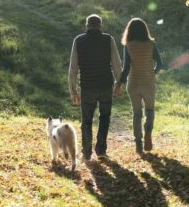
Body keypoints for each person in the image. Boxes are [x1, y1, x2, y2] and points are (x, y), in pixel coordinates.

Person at [68, 14, 122, 160]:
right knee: (104, 118)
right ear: (100, 26)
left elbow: (73, 68)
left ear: (87, 26)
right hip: (105, 86)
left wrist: (73, 90)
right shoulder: (108, 39)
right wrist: (119, 84)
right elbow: (117, 65)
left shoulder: (78, 40)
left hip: (87, 87)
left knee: (86, 121)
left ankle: (86, 153)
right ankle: (101, 150)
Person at [118, 17, 163, 154]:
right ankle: (148, 131)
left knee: (137, 113)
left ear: (129, 31)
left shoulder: (128, 45)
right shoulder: (151, 44)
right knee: (149, 110)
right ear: (144, 30)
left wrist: (119, 82)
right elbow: (159, 64)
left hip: (133, 84)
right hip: (148, 83)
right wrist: (152, 72)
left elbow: (125, 68)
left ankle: (138, 143)